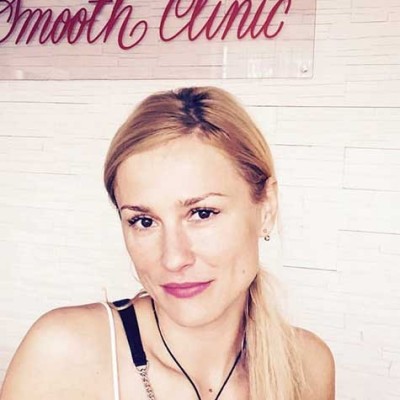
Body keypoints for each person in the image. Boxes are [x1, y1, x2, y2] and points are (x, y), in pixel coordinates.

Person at [0, 86, 335, 400]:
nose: (173, 258)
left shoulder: (307, 366)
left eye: (202, 213)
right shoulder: (63, 353)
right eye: (144, 221)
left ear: (266, 208)